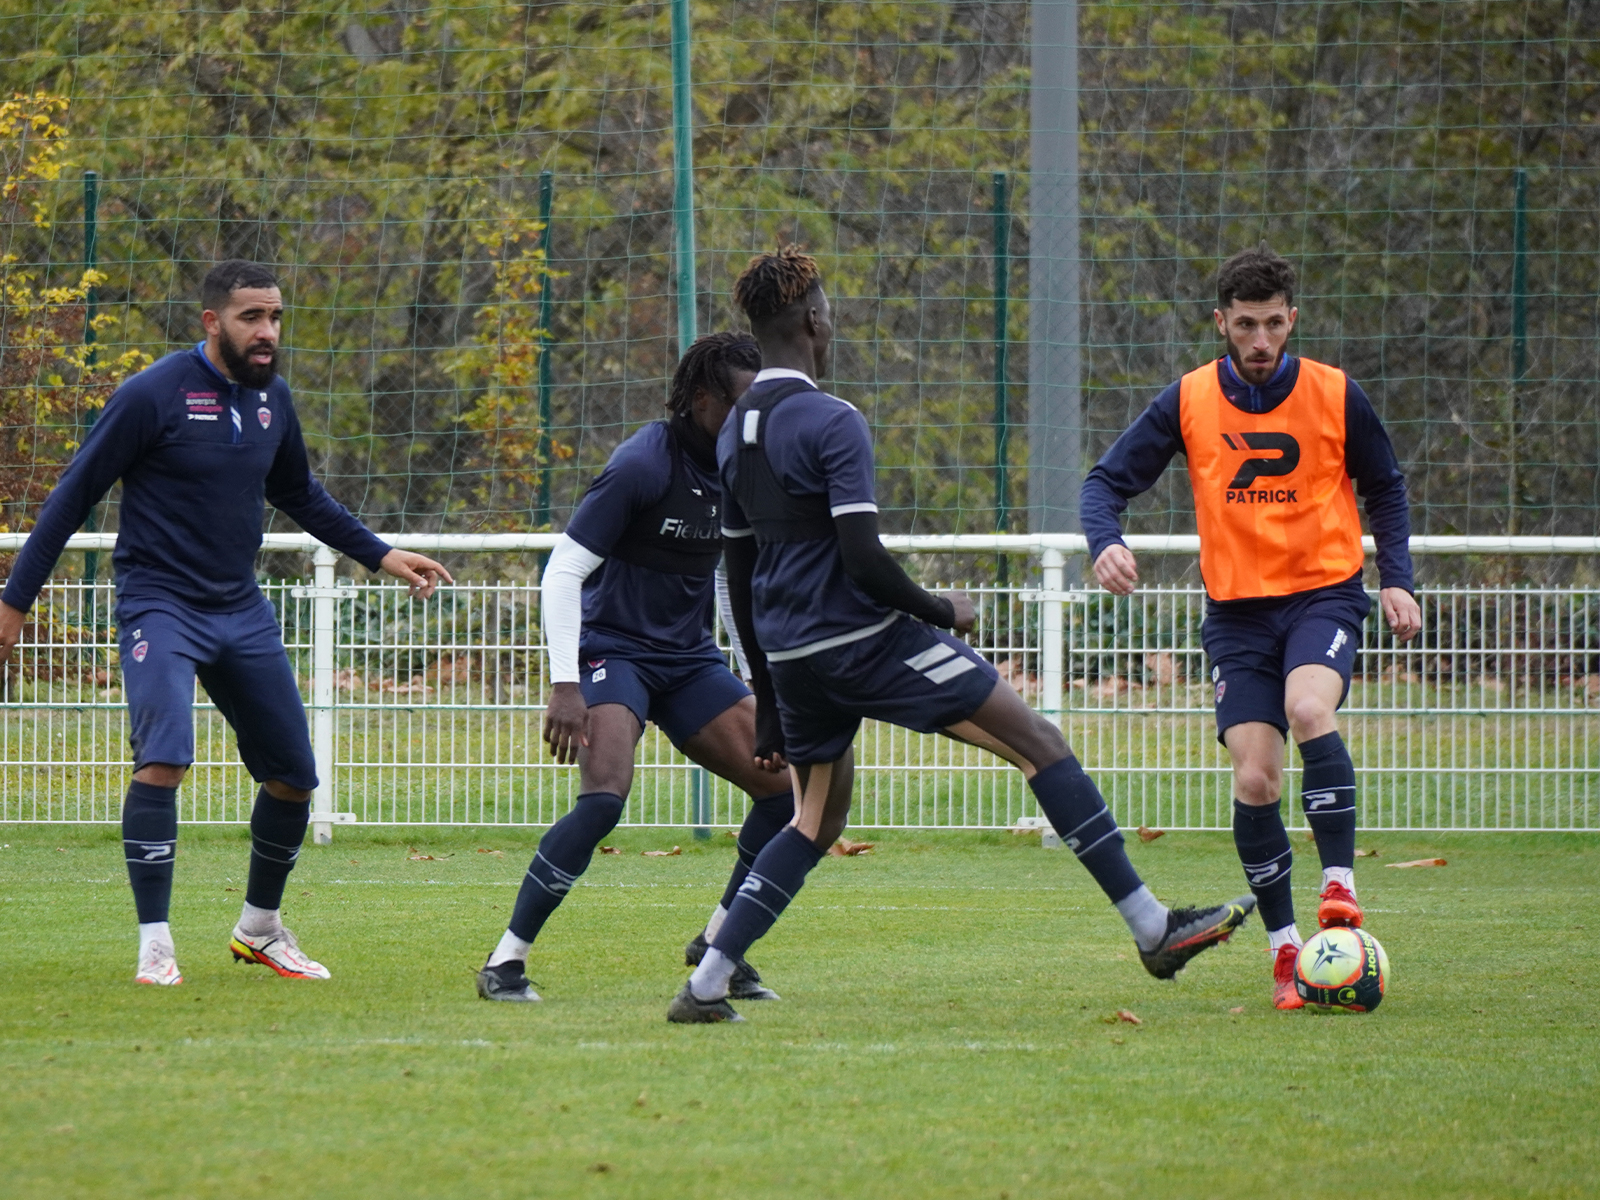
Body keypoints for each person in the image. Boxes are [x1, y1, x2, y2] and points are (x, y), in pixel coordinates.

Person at [668, 246, 1255, 1024]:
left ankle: (706, 984)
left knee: (813, 821)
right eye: (829, 313)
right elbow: (863, 560)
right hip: (864, 641)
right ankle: (1152, 926)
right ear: (813, 321)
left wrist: (769, 695)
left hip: (790, 654)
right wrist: (945, 611)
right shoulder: (833, 420)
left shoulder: (734, 429)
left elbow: (738, 575)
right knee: (1038, 742)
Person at [0, 259, 451, 987]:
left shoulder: (274, 400)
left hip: (239, 608)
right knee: (165, 757)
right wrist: (13, 604)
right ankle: (155, 943)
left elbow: (300, 493)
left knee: (294, 777)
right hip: (160, 605)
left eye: (274, 317)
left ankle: (260, 929)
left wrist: (380, 553)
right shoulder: (154, 394)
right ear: (212, 322)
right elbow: (71, 496)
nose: (267, 331)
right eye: (251, 317)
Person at [1080, 244, 1422, 1010]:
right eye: (1246, 325)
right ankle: (1287, 953)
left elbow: (1386, 487)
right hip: (1236, 616)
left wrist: (1397, 578)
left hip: (1322, 598)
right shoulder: (1189, 398)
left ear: (1291, 319)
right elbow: (1105, 482)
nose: (1261, 341)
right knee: (1256, 776)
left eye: (1273, 324)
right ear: (1222, 325)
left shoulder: (1336, 394)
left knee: (1309, 710)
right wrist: (1105, 542)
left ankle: (1339, 888)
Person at [474, 332, 796, 1003]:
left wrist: (762, 688)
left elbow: (737, 586)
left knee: (786, 791)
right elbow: (563, 571)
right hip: (611, 651)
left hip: (687, 659)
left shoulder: (743, 468)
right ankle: (505, 962)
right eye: (740, 406)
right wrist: (565, 683)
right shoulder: (642, 464)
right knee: (603, 800)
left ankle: (719, 946)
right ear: (702, 399)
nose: (751, 422)